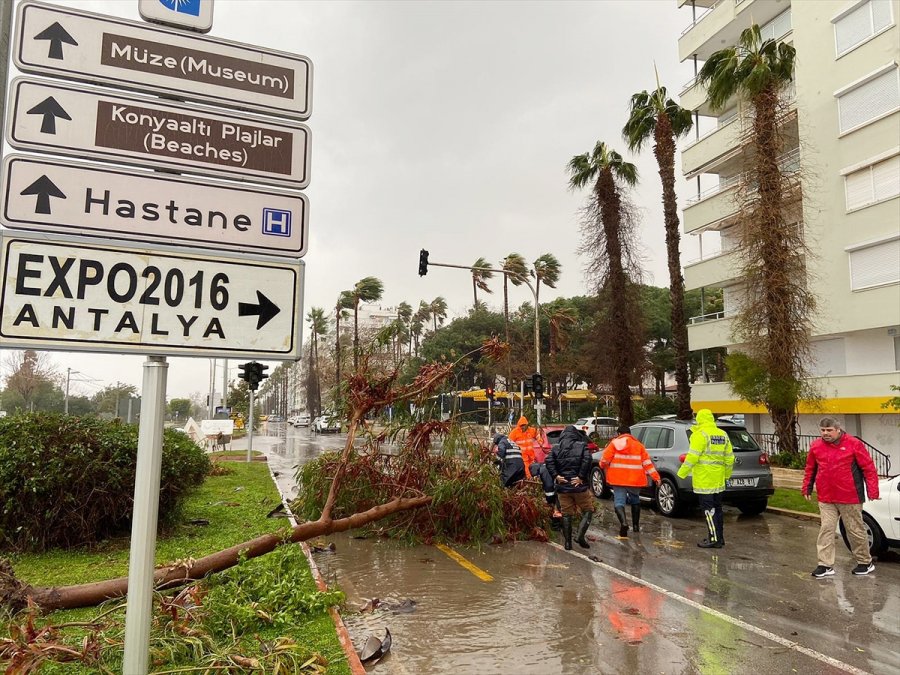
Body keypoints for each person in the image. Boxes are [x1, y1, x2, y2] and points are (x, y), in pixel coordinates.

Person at [802, 417, 880, 578]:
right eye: (823, 430)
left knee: (855, 529)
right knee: (826, 529)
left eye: (829, 430)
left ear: (838, 430)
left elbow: (868, 468)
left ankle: (865, 562)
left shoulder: (853, 444)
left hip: (849, 496)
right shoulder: (816, 446)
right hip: (826, 497)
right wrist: (807, 487)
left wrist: (873, 491)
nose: (825, 433)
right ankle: (825, 565)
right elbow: (810, 468)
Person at [677, 409, 734, 548]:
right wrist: (726, 475)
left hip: (704, 480)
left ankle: (713, 539)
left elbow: (692, 457)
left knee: (708, 510)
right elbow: (730, 459)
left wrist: (681, 473)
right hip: (718, 480)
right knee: (718, 509)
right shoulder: (723, 434)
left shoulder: (699, 435)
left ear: (700, 420)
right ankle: (719, 538)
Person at [600, 425, 660, 537]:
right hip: (635, 480)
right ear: (630, 433)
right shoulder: (639, 446)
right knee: (635, 500)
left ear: (619, 434)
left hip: (618, 479)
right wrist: (656, 477)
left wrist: (602, 465)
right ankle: (636, 527)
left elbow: (604, 460)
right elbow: (647, 463)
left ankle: (623, 523)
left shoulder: (613, 444)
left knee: (619, 502)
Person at [545, 425, 594, 550]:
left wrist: (556, 476)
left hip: (563, 487)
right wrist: (581, 476)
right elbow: (588, 459)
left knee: (566, 514)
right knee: (588, 510)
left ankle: (567, 543)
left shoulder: (556, 448)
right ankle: (579, 536)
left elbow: (548, 461)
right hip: (579, 486)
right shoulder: (582, 445)